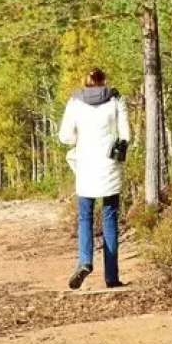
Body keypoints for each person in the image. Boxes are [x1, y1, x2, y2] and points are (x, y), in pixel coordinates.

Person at [58, 68, 131, 290]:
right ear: (104, 81)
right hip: (109, 164)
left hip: (86, 164)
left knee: (85, 217)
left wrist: (80, 138)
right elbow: (126, 135)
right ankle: (112, 277)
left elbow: (65, 136)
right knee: (110, 218)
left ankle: (85, 262)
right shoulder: (116, 100)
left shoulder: (75, 102)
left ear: (85, 82)